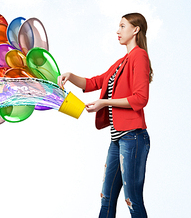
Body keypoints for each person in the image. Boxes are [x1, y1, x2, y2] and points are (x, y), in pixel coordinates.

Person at [58, 13, 152, 218]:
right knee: (106, 198)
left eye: (122, 26)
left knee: (132, 198)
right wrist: (70, 76)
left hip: (133, 136)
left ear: (135, 30)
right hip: (117, 138)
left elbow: (140, 99)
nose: (117, 31)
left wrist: (104, 103)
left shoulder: (139, 56)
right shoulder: (121, 62)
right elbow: (95, 82)